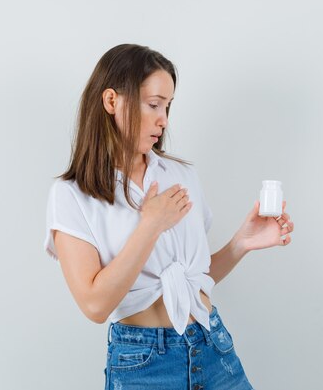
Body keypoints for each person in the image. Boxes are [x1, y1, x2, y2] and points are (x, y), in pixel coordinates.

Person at [44, 43, 293, 390]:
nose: (163, 119)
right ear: (112, 101)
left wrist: (241, 244)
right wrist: (150, 225)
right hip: (144, 366)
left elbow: (194, 281)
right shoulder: (72, 195)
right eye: (153, 105)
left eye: (168, 106)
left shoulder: (180, 175)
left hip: (212, 347)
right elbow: (95, 305)